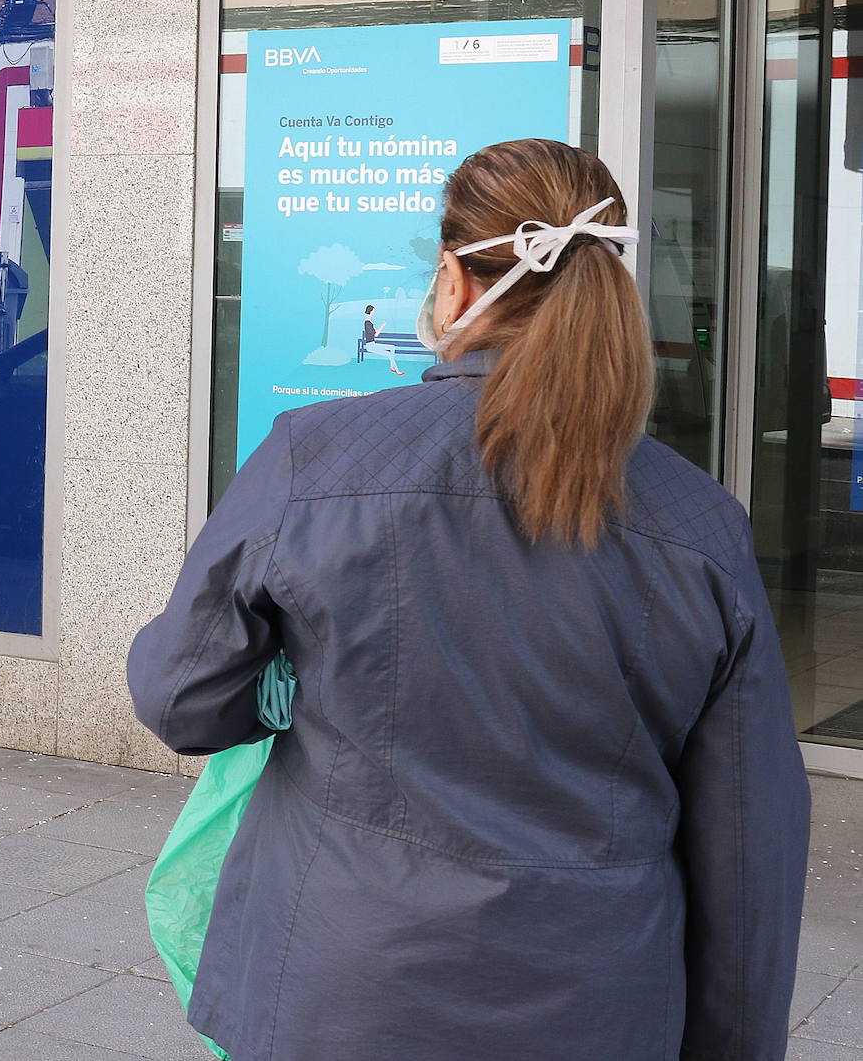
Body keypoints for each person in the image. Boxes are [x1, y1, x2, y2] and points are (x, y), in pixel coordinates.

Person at [128, 139, 810, 1061]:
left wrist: (285, 679)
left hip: (343, 988)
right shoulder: (705, 527)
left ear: (451, 281)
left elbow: (183, 700)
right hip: (598, 1005)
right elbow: (748, 848)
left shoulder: (314, 459)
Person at [360, 303, 402, 373]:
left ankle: (392, 368)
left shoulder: (369, 322)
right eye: (373, 311)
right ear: (370, 311)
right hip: (370, 346)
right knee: (390, 354)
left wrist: (382, 325)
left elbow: (375, 332)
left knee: (392, 348)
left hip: (372, 344)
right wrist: (383, 325)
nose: (374, 313)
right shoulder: (367, 323)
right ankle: (398, 371)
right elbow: (376, 334)